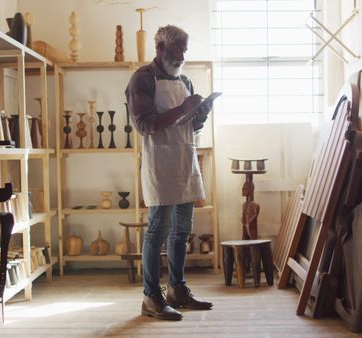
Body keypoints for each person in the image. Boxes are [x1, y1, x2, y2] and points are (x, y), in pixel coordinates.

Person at [125, 25, 213, 321]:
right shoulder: (142, 79)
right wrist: (184, 109)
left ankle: (177, 290)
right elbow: (143, 123)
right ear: (160, 48)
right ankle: (151, 297)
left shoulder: (184, 79)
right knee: (157, 230)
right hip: (160, 163)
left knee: (182, 231)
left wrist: (199, 115)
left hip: (185, 160)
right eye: (177, 51)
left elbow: (189, 125)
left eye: (185, 50)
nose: (182, 56)